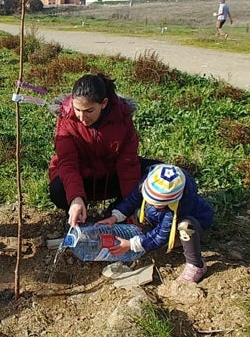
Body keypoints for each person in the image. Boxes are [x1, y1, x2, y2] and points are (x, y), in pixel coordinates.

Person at [49, 72, 156, 228]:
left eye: (89, 111)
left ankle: (118, 210)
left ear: (104, 103)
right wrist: (75, 198)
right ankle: (75, 209)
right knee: (58, 189)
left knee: (155, 172)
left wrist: (131, 207)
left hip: (111, 176)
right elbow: (68, 163)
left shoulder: (122, 118)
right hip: (82, 177)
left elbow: (127, 164)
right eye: (77, 109)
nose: (81, 117)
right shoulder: (66, 119)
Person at [98, 163, 214, 283]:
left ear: (172, 202)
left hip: (191, 226)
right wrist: (115, 217)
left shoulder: (176, 209)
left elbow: (160, 236)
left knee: (185, 226)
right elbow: (133, 199)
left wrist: (131, 245)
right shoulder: (151, 181)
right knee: (139, 211)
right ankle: (145, 238)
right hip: (159, 218)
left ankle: (196, 264)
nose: (151, 205)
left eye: (156, 205)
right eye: (148, 200)